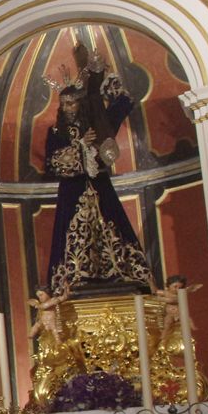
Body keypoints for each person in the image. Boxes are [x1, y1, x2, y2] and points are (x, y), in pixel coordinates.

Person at [41, 42, 153, 296]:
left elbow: (124, 102)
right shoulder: (56, 132)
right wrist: (81, 147)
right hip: (72, 191)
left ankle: (118, 273)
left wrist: (103, 76)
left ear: (81, 104)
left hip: (100, 186)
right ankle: (74, 278)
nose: (68, 108)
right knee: (74, 238)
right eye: (65, 104)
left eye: (73, 103)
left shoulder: (100, 124)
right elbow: (54, 162)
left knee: (111, 227)